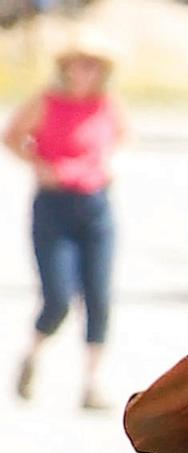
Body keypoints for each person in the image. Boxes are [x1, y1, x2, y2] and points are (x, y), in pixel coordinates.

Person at [3, 31, 127, 410]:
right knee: (58, 296)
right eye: (79, 64)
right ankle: (33, 355)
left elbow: (120, 140)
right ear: (67, 67)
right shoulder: (45, 103)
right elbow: (11, 137)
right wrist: (39, 165)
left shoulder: (106, 105)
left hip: (95, 205)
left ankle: (92, 382)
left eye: (93, 66)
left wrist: (109, 165)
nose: (85, 72)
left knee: (99, 296)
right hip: (55, 205)